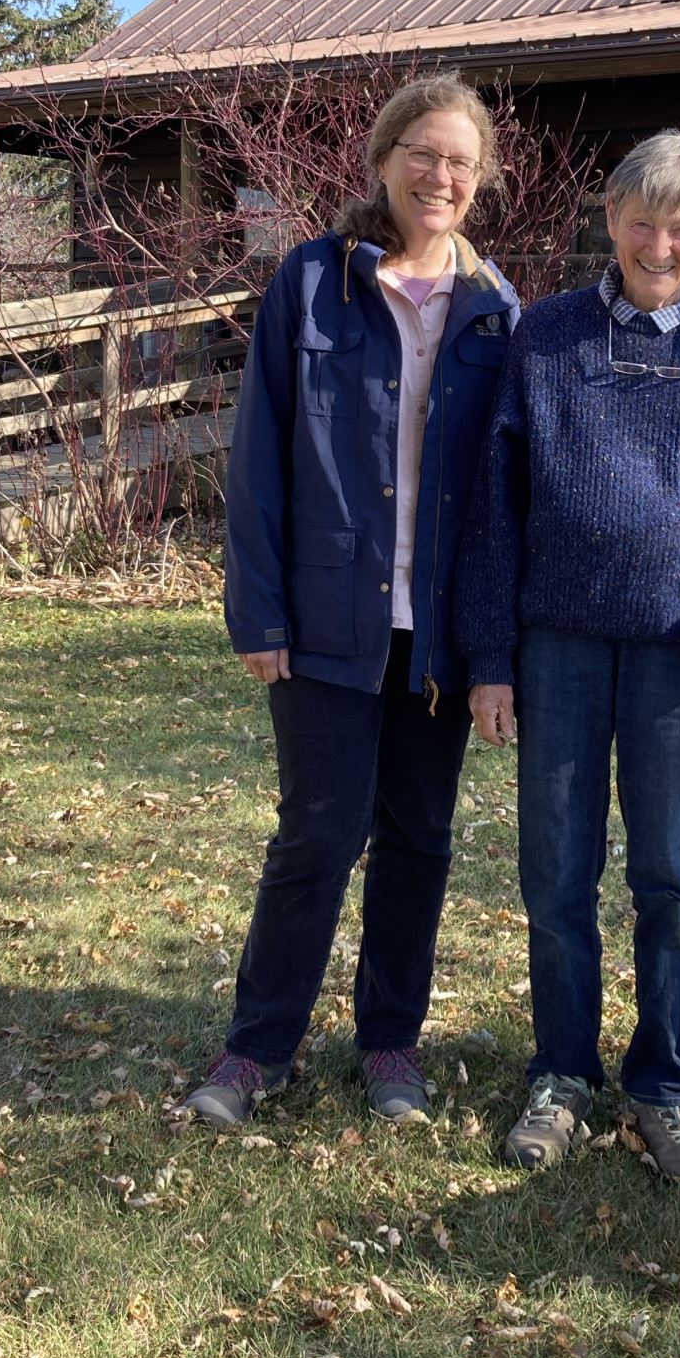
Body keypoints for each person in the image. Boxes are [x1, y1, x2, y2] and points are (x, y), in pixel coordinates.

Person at [183, 75, 522, 1129]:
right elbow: (257, 460)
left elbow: (508, 496)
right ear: (382, 161)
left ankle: (389, 1045)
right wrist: (260, 614)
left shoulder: (495, 311)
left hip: (439, 634)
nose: (441, 176)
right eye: (423, 153)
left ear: (481, 182)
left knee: (418, 840)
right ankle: (258, 1047)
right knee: (318, 835)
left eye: (461, 161)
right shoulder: (312, 284)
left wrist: (494, 649)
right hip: (327, 619)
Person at [456, 130, 680, 1189]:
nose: (658, 243)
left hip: (675, 659)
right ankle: (561, 1074)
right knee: (555, 875)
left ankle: (664, 1088)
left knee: (671, 881)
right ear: (609, 221)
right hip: (552, 648)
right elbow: (494, 513)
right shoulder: (544, 337)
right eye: (640, 221)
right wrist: (489, 655)